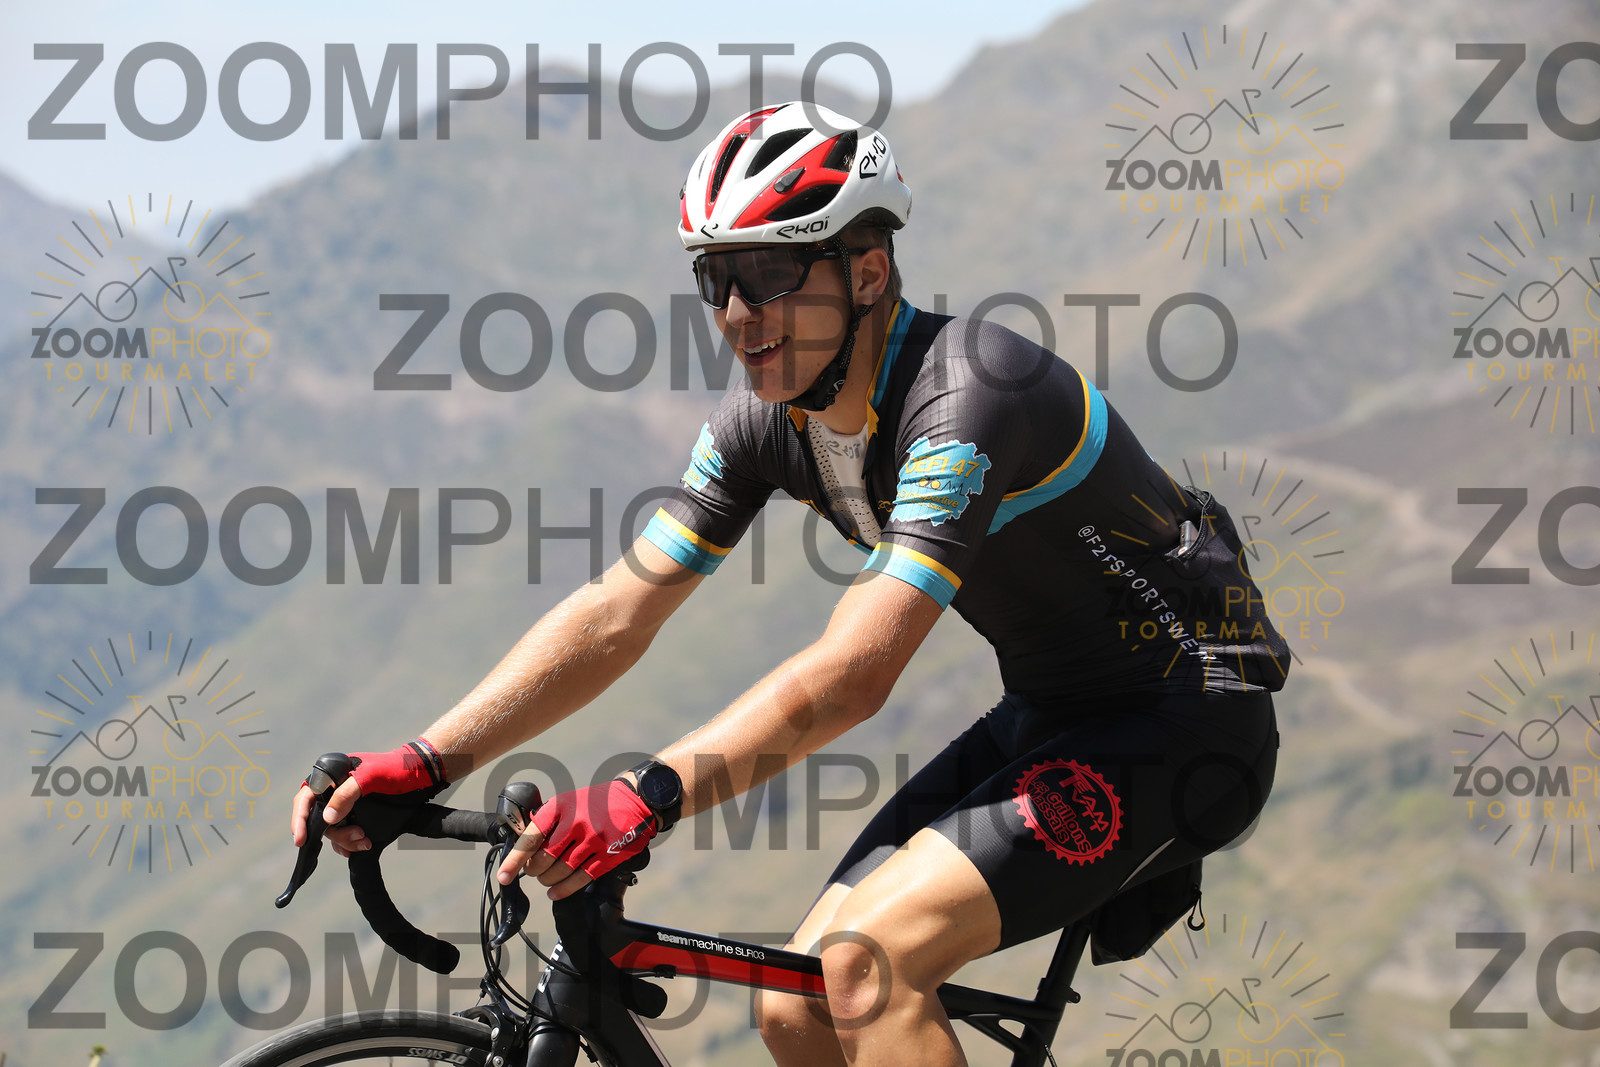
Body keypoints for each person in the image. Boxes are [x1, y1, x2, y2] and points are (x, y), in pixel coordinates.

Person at [291, 101, 1289, 1066]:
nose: (736, 313)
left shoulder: (971, 394)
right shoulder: (761, 424)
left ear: (868, 270)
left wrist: (646, 795)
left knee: (867, 969)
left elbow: (854, 673)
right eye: (715, 278)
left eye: (767, 273)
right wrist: (429, 757)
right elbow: (614, 613)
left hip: (1189, 726)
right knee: (794, 999)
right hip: (1050, 713)